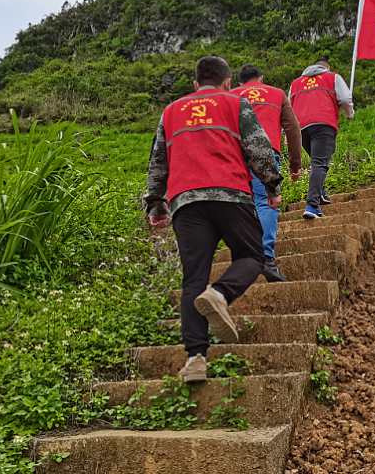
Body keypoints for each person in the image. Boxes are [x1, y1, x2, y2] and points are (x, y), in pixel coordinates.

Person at [144, 56, 282, 382]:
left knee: (193, 279)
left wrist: (156, 205)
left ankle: (195, 360)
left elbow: (157, 162)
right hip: (230, 193)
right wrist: (272, 185)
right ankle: (220, 294)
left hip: (185, 202)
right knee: (252, 255)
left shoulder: (171, 111)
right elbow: (258, 148)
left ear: (195, 85)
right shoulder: (236, 102)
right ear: (227, 82)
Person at [230, 64, 303, 282]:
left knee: (241, 205)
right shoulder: (277, 94)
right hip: (267, 153)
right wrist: (295, 163)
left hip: (234, 155)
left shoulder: (230, 95)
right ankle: (266, 259)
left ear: (239, 82)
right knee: (266, 201)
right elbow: (292, 129)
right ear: (261, 78)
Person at [289, 58, 354, 218]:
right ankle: (312, 205)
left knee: (316, 160)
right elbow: (345, 99)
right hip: (323, 124)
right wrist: (349, 113)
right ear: (327, 68)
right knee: (320, 163)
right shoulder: (332, 77)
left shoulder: (295, 83)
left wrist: (288, 134)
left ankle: (321, 192)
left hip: (300, 128)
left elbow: (288, 108)